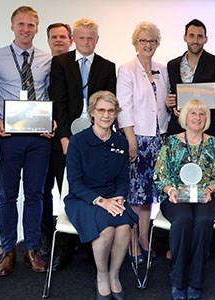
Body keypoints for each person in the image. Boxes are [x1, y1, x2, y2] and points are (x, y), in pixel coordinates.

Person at [0, 5, 53, 276]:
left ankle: (32, 249)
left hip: (38, 138)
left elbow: (50, 93)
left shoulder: (47, 58)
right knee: (7, 196)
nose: (26, 29)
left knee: (36, 195)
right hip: (9, 137)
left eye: (31, 25)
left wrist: (53, 120)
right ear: (12, 26)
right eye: (21, 24)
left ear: (37, 28)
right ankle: (8, 250)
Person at [49, 18, 117, 271]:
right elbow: (58, 102)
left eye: (91, 37)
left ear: (97, 40)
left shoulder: (107, 67)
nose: (86, 42)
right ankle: (65, 249)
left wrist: (101, 139)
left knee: (95, 189)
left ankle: (92, 246)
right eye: (81, 37)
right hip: (67, 140)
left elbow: (110, 106)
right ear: (73, 39)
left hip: (96, 140)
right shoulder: (60, 63)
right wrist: (65, 138)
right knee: (68, 192)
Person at [64, 91, 136, 300]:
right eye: (101, 110)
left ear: (116, 114)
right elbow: (75, 184)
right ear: (92, 113)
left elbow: (123, 179)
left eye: (111, 111)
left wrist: (120, 197)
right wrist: (102, 202)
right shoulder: (78, 141)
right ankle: (102, 275)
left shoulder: (121, 142)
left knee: (123, 226)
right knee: (106, 229)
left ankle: (114, 275)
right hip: (83, 199)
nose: (106, 115)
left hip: (112, 197)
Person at [154, 99, 215, 300]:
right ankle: (178, 280)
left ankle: (196, 281)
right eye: (193, 113)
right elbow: (160, 175)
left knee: (203, 222)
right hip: (177, 196)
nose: (198, 118)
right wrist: (170, 190)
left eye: (202, 114)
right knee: (183, 220)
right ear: (184, 117)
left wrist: (211, 189)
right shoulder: (171, 142)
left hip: (206, 196)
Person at [117, 21, 171, 265]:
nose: (148, 45)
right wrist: (131, 141)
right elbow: (124, 107)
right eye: (143, 41)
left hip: (159, 138)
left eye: (152, 41)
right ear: (135, 43)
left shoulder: (162, 69)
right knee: (134, 194)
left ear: (157, 43)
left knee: (148, 194)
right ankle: (132, 244)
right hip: (137, 138)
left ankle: (145, 239)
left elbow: (163, 103)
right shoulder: (127, 69)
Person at [38, 21, 73, 260]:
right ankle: (45, 239)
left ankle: (67, 242)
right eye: (54, 37)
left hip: (65, 140)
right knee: (40, 191)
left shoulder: (77, 67)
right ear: (48, 40)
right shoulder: (39, 65)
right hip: (40, 139)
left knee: (66, 190)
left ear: (70, 40)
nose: (58, 40)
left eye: (63, 36)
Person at [166, 19, 215, 138]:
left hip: (208, 130)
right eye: (191, 36)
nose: (195, 41)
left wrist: (199, 114)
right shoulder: (172, 65)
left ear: (206, 39)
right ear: (185, 37)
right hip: (178, 129)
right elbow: (173, 95)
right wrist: (170, 104)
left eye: (200, 36)